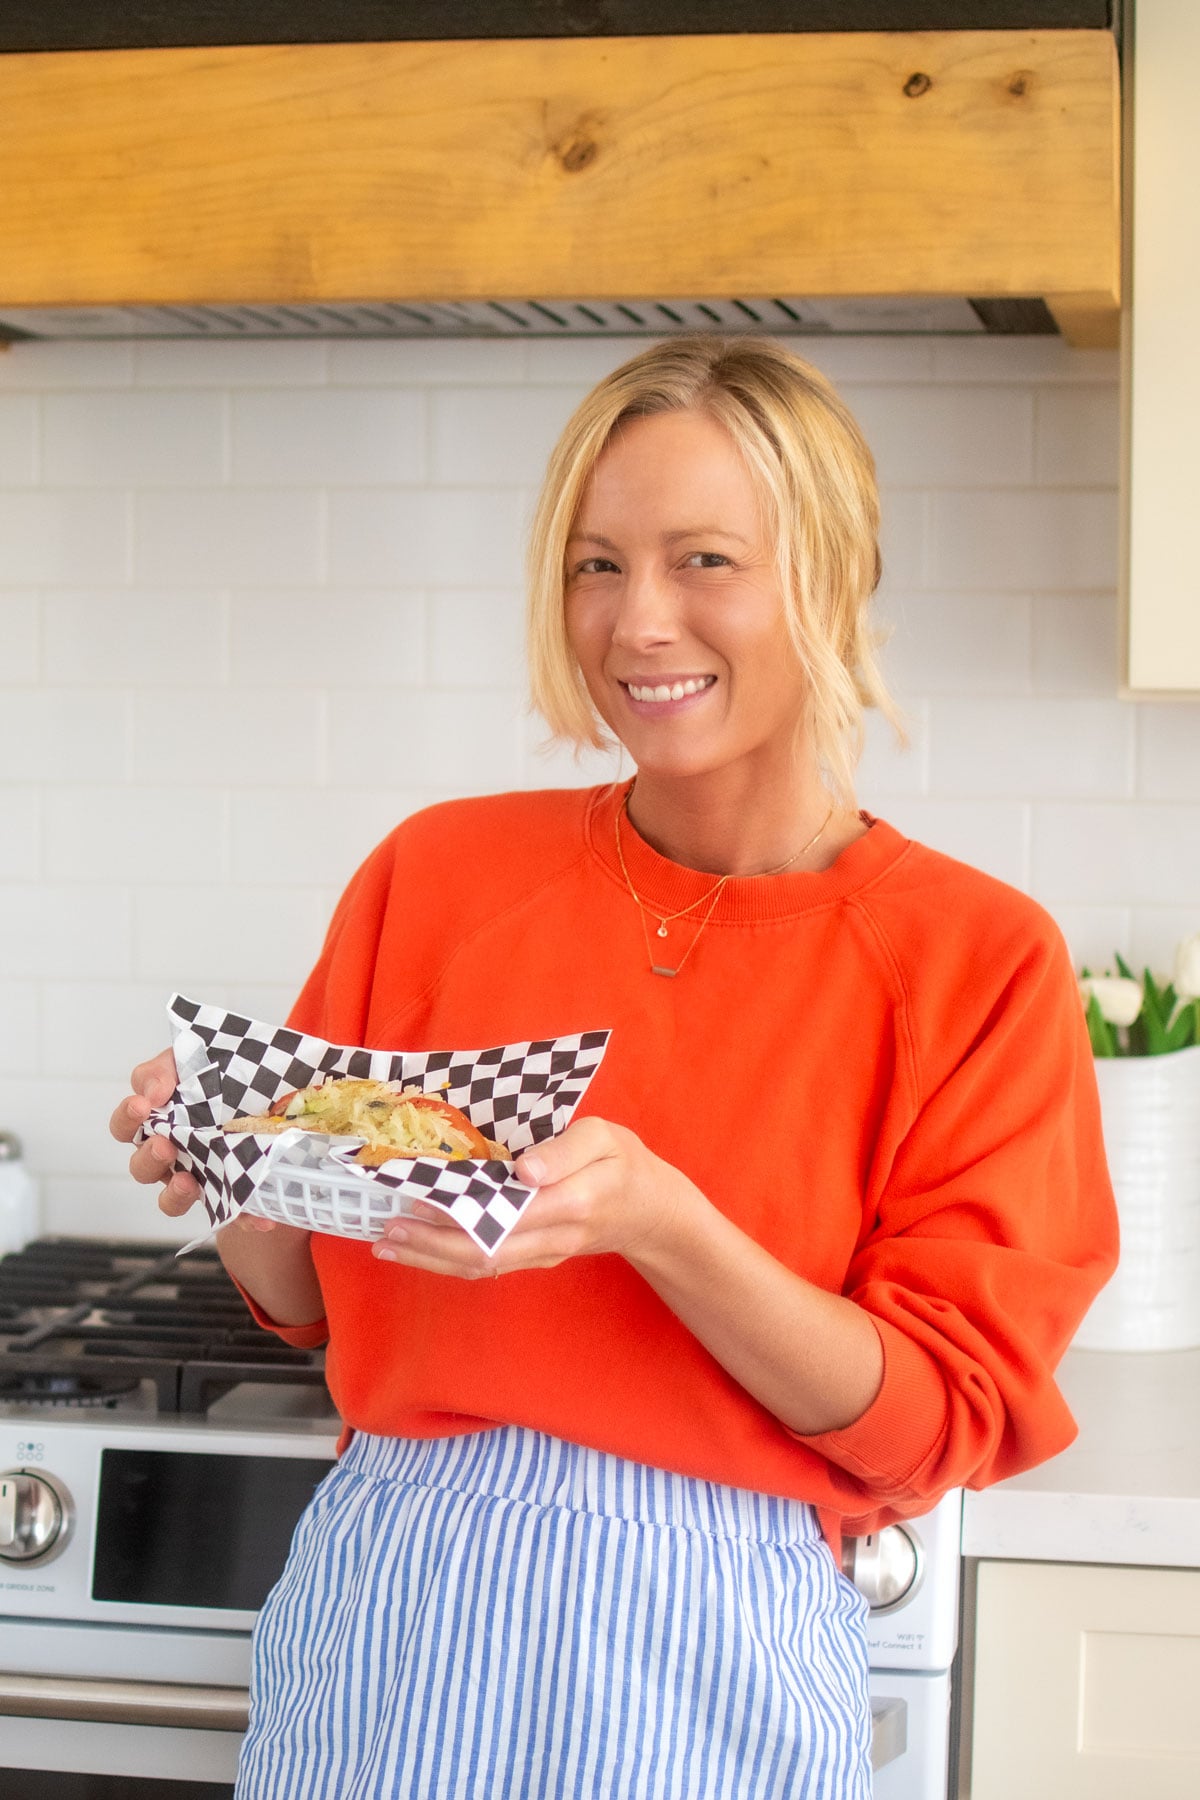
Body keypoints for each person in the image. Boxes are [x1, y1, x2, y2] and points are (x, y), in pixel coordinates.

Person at [111, 335, 1118, 1800]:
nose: (640, 622)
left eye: (705, 559)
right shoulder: (438, 872)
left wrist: (664, 1224)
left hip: (709, 1644)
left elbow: (931, 1427)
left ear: (831, 579)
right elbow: (325, 1307)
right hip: (391, 1613)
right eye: (596, 566)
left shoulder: (975, 958)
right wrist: (229, 1166)